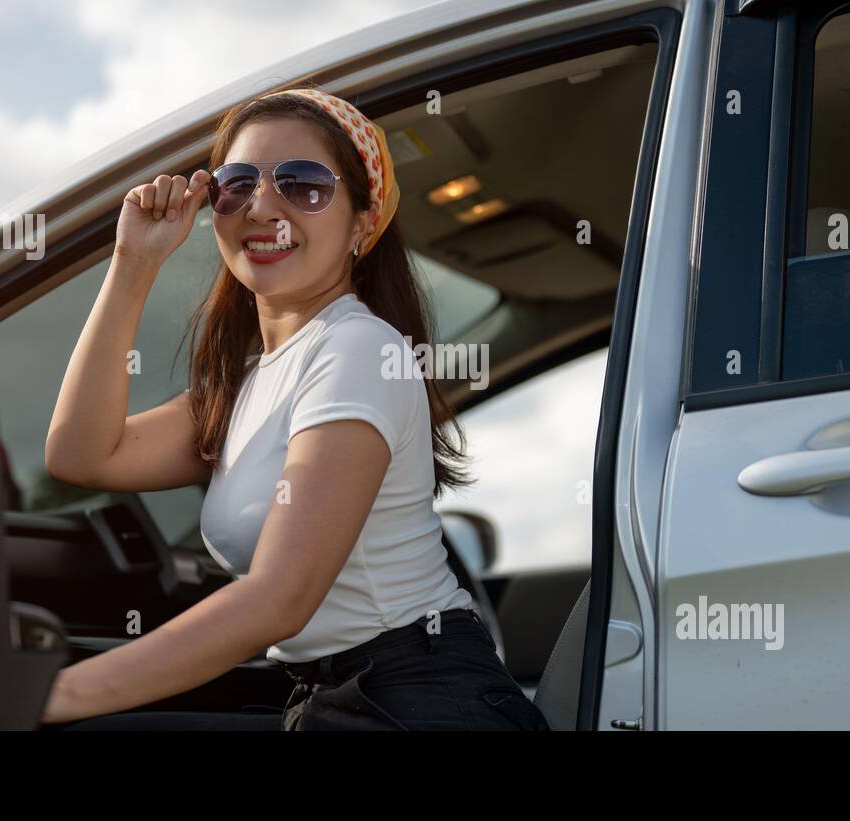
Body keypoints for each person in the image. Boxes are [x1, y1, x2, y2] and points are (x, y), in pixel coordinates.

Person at [41, 87, 550, 730]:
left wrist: (53, 696)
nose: (263, 207)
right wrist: (133, 263)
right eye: (237, 183)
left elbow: (277, 600)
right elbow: (81, 454)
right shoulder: (253, 381)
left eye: (304, 185)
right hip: (338, 698)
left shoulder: (358, 348)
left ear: (364, 222)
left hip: (417, 703)